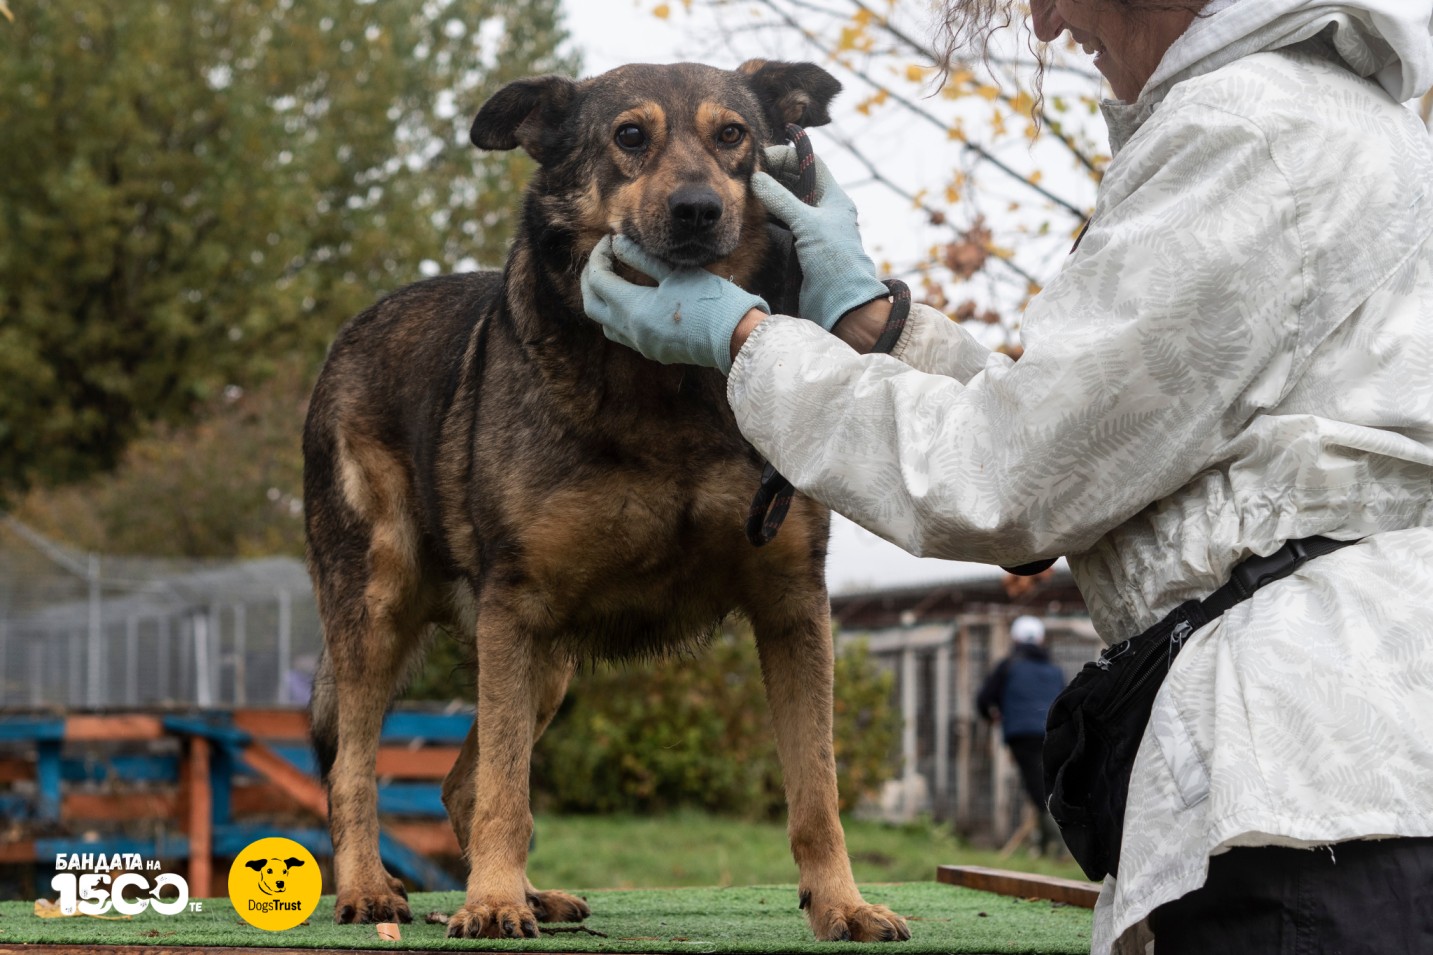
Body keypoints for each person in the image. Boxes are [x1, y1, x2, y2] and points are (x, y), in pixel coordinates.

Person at [581, 1, 1433, 952]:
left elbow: (1008, 482)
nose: (1049, 22)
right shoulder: (1342, 123)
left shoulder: (1244, 133)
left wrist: (745, 343)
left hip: (1316, 801)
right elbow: (1099, 437)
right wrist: (877, 326)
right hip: (1356, 780)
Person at [976, 615, 1066, 855]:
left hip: (1021, 734)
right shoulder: (1054, 669)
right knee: (1047, 786)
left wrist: (991, 715)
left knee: (1038, 790)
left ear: (1014, 639)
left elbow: (984, 699)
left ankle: (1061, 848)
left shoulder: (1008, 665)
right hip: (1053, 734)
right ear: (1041, 640)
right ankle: (1044, 847)